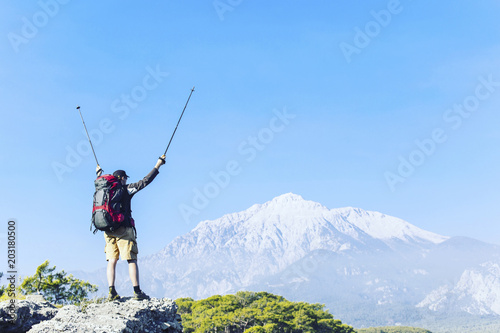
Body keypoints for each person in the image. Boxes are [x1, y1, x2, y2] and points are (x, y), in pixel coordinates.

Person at [95, 155, 165, 301]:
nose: (126, 180)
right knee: (131, 259)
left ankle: (111, 292)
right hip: (123, 229)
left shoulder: (103, 189)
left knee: (111, 260)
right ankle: (137, 291)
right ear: (121, 178)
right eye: (125, 178)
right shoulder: (126, 189)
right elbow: (145, 182)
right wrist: (158, 165)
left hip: (107, 230)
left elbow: (99, 181)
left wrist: (98, 173)